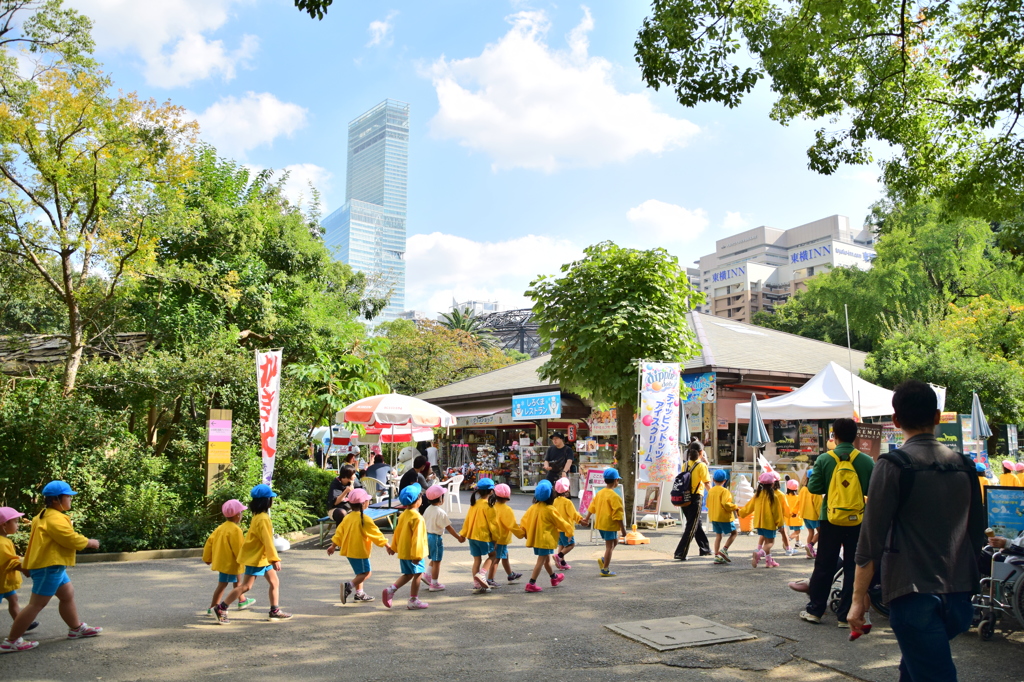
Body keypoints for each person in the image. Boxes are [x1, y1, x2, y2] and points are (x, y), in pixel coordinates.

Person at [848, 380, 985, 680]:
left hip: (913, 594)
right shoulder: (964, 465)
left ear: (896, 420)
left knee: (934, 672)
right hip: (961, 597)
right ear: (937, 417)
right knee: (917, 666)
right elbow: (978, 534)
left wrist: (858, 600)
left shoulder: (894, 465)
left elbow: (870, 540)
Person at [3, 481, 102, 654]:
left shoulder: (44, 514)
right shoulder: (54, 518)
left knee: (67, 595)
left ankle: (76, 628)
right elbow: (69, 538)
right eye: (68, 496)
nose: (70, 498)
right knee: (35, 605)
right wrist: (90, 543)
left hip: (53, 565)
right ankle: (11, 641)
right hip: (49, 566)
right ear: (56, 499)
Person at [799, 417, 873, 625]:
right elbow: (871, 490)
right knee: (853, 565)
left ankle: (815, 610)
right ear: (856, 435)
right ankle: (845, 615)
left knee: (824, 564)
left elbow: (814, 488)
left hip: (829, 518)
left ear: (835, 436)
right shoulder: (866, 461)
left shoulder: (825, 459)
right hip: (857, 519)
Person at [216, 485, 292, 623]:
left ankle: (274, 610)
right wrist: (274, 559)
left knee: (274, 582)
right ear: (266, 500)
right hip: (257, 558)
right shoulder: (263, 518)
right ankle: (222, 607)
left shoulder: (258, 516)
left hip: (262, 557)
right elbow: (267, 540)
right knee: (246, 586)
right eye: (271, 498)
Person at [327, 488, 394, 604]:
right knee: (366, 573)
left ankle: (360, 593)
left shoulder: (347, 517)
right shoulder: (364, 519)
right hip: (359, 551)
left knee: (360, 573)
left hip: (349, 551)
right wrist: (387, 545)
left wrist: (333, 545)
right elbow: (376, 533)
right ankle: (349, 586)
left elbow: (339, 533)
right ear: (364, 503)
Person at [202, 499, 256, 616]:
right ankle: (213, 607)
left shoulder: (220, 527)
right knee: (222, 585)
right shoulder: (235, 530)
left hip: (224, 561)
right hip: (230, 562)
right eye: (241, 513)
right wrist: (246, 559)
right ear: (237, 515)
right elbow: (239, 548)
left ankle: (242, 600)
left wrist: (207, 558)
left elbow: (209, 542)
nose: (241, 515)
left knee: (237, 581)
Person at [382, 484, 430, 610]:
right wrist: (418, 555)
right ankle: (413, 600)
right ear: (418, 500)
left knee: (408, 574)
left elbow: (397, 532)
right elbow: (418, 538)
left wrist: (393, 547)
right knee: (418, 573)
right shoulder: (418, 518)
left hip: (403, 551)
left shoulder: (403, 514)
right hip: (414, 553)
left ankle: (391, 590)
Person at [520, 480, 572, 592]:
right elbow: (561, 522)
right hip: (545, 540)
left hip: (536, 539)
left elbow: (524, 522)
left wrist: (523, 532)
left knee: (546, 560)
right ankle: (531, 583)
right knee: (541, 561)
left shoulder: (532, 508)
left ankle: (554, 578)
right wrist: (569, 531)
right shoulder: (550, 509)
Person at [0, 508, 38, 636]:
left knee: (14, 599)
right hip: (1, 583)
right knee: (13, 600)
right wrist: (25, 569)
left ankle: (20, 623)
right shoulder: (1, 543)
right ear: (4, 525)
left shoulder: (5, 540)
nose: (18, 525)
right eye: (15, 522)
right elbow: (10, 562)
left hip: (4, 583)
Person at [583, 468, 626, 577]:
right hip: (609, 525)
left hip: (601, 524)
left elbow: (592, 506)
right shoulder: (615, 496)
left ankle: (604, 559)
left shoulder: (600, 493)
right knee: (609, 546)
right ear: (616, 480)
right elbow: (618, 515)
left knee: (614, 542)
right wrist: (623, 529)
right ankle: (605, 569)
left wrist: (587, 518)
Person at [422, 484, 464, 592]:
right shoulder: (441, 512)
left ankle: (427, 575)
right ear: (441, 498)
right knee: (437, 561)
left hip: (427, 536)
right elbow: (449, 527)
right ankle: (434, 583)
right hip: (436, 538)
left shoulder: (427, 509)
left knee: (434, 558)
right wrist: (458, 537)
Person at [675, 442, 712, 561]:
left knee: (696, 523)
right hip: (695, 497)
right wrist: (713, 495)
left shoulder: (685, 465)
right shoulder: (701, 466)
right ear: (701, 452)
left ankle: (705, 548)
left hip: (684, 498)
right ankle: (680, 552)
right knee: (691, 526)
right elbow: (707, 483)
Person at [460, 478, 498, 592]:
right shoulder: (489, 506)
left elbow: (467, 521)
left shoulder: (474, 504)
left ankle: (477, 584)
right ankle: (482, 575)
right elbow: (493, 525)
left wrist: (463, 534)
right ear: (491, 491)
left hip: (472, 536)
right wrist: (496, 538)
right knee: (493, 555)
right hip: (483, 536)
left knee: (477, 560)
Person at [739, 472, 785, 568]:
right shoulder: (774, 497)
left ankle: (769, 561)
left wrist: (740, 512)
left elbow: (749, 507)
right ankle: (759, 554)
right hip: (769, 523)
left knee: (766, 542)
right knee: (770, 543)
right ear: (772, 484)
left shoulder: (757, 495)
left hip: (759, 523)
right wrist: (780, 524)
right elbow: (777, 513)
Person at [490, 484, 526, 583]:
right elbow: (512, 525)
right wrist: (522, 534)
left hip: (493, 537)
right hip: (501, 538)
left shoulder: (492, 506)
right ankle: (490, 579)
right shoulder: (507, 510)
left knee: (504, 555)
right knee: (497, 558)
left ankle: (510, 575)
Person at [705, 470, 738, 564]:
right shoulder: (725, 491)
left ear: (713, 479)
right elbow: (726, 504)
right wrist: (735, 507)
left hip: (714, 516)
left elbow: (707, 504)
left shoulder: (711, 491)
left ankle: (716, 556)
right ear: (725, 480)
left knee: (718, 535)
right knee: (734, 533)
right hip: (724, 517)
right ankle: (724, 550)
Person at [553, 477, 584, 570]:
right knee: (571, 545)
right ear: (567, 489)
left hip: (558, 527)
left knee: (562, 545)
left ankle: (562, 563)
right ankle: (559, 556)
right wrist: (581, 520)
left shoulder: (555, 501)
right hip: (566, 528)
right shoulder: (567, 502)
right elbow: (573, 514)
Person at [797, 469, 822, 559]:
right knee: (821, 531)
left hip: (804, 514)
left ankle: (809, 553)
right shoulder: (816, 490)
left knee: (810, 532)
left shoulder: (803, 489)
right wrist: (821, 515)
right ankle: (811, 545)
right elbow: (818, 504)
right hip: (814, 515)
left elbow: (798, 501)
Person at [783, 479, 803, 554]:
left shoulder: (785, 496)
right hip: (796, 517)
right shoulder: (798, 497)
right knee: (797, 531)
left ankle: (798, 542)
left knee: (796, 530)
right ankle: (788, 540)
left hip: (788, 517)